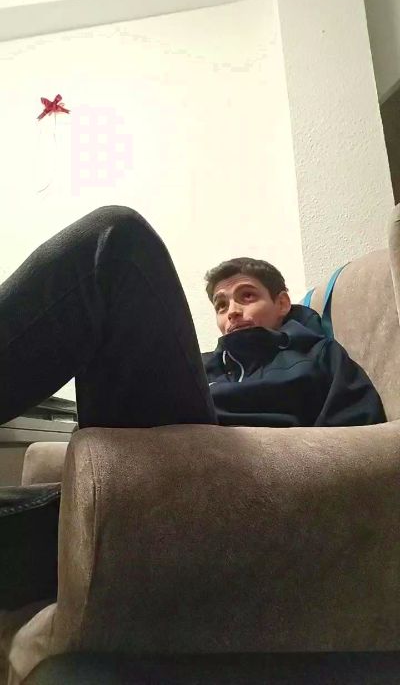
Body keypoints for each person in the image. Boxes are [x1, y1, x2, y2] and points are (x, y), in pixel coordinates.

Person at [0, 205, 386, 609]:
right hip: (138, 476)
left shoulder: (319, 355)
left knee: (118, 239)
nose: (232, 311)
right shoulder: (200, 368)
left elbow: (359, 444)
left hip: (226, 480)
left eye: (247, 296)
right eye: (220, 305)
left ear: (283, 303)